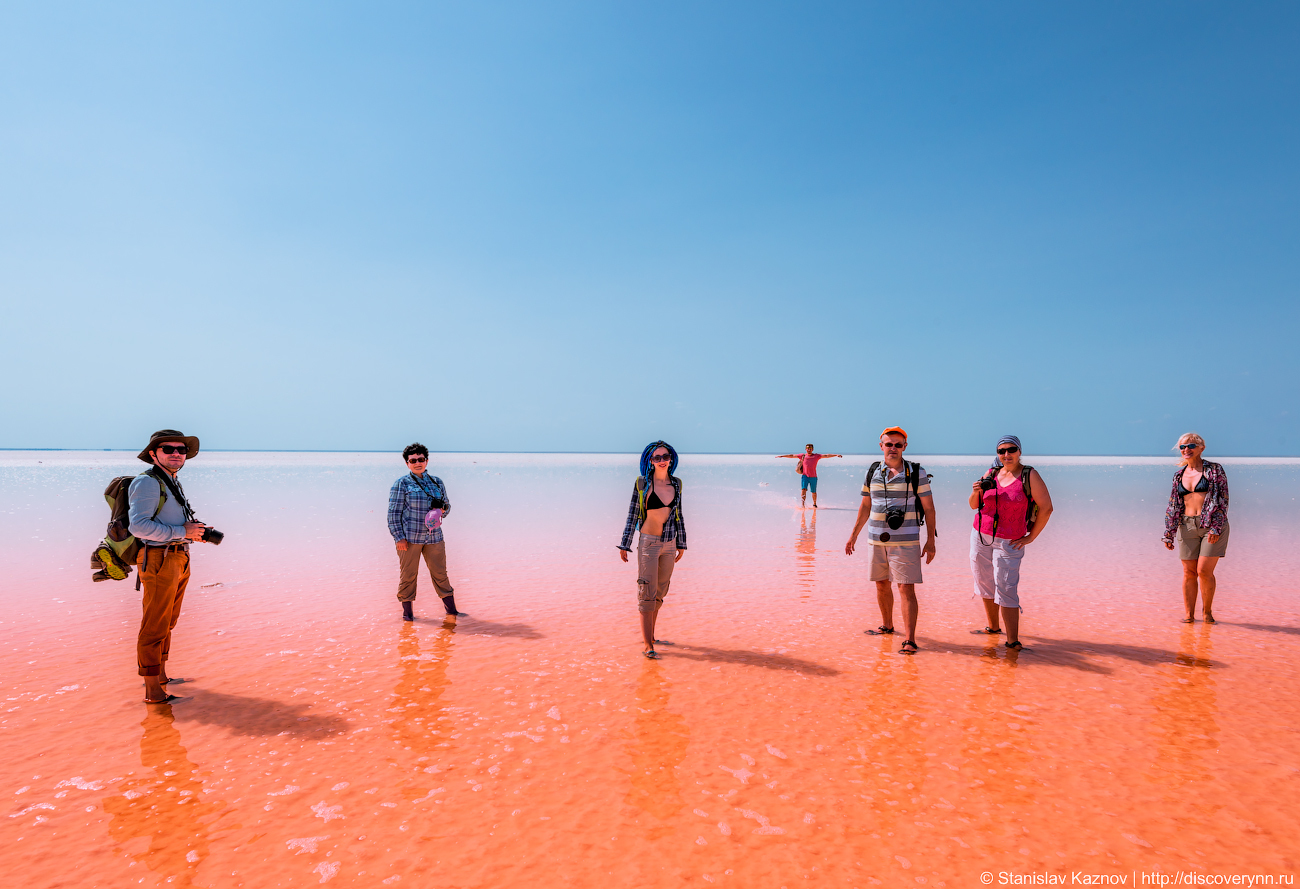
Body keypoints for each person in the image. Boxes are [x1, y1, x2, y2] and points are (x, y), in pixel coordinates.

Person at [128, 429, 214, 705]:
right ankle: (154, 694)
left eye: (181, 449)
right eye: (168, 449)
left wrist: (192, 532)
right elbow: (138, 526)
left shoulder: (170, 480)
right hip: (158, 557)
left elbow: (170, 523)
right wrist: (181, 530)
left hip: (177, 555)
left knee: (168, 621)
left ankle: (162, 677)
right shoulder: (148, 482)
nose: (176, 453)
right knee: (154, 625)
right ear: (153, 454)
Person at [845, 427, 936, 654]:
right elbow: (866, 505)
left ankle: (910, 639)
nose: (893, 448)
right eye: (889, 444)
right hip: (876, 539)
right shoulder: (873, 471)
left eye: (897, 444)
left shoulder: (916, 472)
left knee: (906, 588)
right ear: (881, 446)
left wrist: (931, 541)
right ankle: (887, 626)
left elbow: (929, 508)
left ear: (905, 447)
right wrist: (853, 534)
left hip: (906, 540)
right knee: (881, 583)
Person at [967, 435, 1054, 651]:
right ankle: (993, 628)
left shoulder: (1029, 475)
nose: (1006, 454)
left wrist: (1031, 537)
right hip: (980, 535)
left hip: (1010, 541)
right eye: (1002, 451)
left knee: (1006, 587)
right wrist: (975, 490)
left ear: (1019, 451)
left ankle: (1013, 641)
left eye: (1011, 449)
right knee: (984, 582)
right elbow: (972, 505)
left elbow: (1047, 508)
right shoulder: (992, 473)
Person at [617, 441, 687, 659]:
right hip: (648, 542)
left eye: (665, 456)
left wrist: (681, 543)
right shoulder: (642, 484)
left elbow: (679, 514)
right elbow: (632, 514)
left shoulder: (677, 484)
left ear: (671, 459)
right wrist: (625, 543)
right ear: (650, 460)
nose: (661, 460)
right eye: (656, 457)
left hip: (669, 542)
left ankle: (653, 636)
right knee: (647, 592)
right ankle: (647, 644)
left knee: (660, 591)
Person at [388, 443, 462, 621]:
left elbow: (448, 506)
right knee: (408, 576)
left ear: (427, 460)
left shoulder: (437, 482)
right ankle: (408, 617)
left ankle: (452, 614)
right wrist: (399, 537)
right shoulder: (401, 483)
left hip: (434, 537)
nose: (417, 463)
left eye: (421, 459)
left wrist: (443, 509)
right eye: (413, 460)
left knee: (440, 574)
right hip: (409, 538)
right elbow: (393, 514)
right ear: (407, 463)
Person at [1162, 433, 1229, 623]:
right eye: (1182, 447)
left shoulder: (1215, 470)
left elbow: (1223, 500)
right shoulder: (1179, 475)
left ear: (1201, 448)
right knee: (1188, 572)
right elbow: (1174, 505)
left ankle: (1207, 612)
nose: (1186, 450)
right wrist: (1169, 532)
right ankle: (1189, 615)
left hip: (1211, 525)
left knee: (1203, 571)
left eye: (1191, 445)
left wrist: (1216, 527)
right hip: (1186, 525)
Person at [776, 444, 843, 508]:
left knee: (813, 492)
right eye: (808, 448)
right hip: (805, 476)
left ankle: (814, 504)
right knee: (803, 490)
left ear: (812, 449)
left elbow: (826, 455)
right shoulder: (803, 456)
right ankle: (802, 504)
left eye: (810, 448)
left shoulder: (816, 456)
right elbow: (792, 456)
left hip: (813, 477)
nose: (809, 450)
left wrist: (836, 455)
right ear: (805, 449)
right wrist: (782, 456)